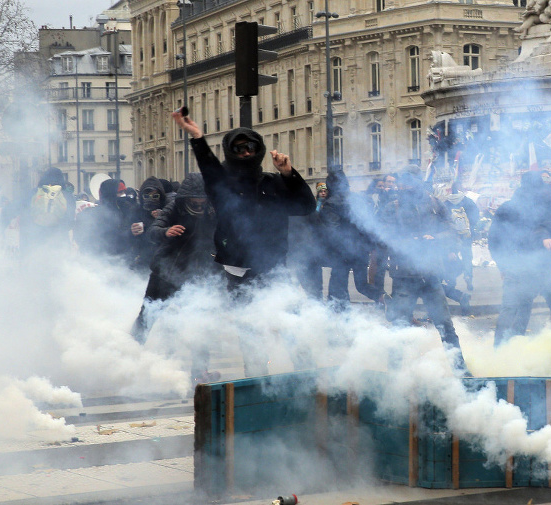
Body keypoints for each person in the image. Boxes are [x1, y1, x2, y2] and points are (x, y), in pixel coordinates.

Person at [172, 110, 316, 377]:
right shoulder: (223, 187)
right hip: (237, 270)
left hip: (274, 267)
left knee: (294, 323)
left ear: (259, 149)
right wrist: (198, 138)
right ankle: (256, 380)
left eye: (250, 147)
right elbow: (211, 170)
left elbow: (306, 206)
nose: (246, 153)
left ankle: (306, 377)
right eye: (239, 149)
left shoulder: (273, 183)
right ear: (230, 152)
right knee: (249, 329)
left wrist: (288, 174)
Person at [131, 173, 222, 382]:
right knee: (148, 316)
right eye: (194, 202)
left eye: (202, 201)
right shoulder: (173, 208)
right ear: (185, 199)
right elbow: (153, 231)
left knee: (200, 323)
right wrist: (166, 231)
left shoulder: (212, 211)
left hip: (197, 274)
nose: (198, 206)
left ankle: (199, 371)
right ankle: (126, 360)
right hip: (166, 272)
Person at [378, 168, 470, 376]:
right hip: (404, 276)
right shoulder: (392, 207)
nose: (405, 187)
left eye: (409, 183)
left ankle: (461, 372)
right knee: (400, 326)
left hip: (431, 274)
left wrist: (435, 239)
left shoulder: (435, 204)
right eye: (403, 184)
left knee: (445, 326)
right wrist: (412, 243)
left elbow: (452, 231)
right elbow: (383, 238)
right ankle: (393, 374)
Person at [488, 171, 551, 345]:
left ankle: (509, 348)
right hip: (519, 266)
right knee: (516, 306)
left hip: (526, 268)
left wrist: (503, 265)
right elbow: (500, 239)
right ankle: (504, 348)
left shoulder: (538, 208)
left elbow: (493, 241)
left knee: (519, 306)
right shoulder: (513, 209)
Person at [322, 169, 389, 308]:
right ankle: (384, 298)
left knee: (338, 284)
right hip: (361, 250)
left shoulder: (331, 203)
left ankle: (341, 314)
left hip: (342, 252)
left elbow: (333, 230)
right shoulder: (358, 199)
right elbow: (367, 224)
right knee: (361, 285)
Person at [18, 167, 76, 256]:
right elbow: (70, 221)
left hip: (35, 239)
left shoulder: (33, 193)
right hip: (59, 241)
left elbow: (24, 218)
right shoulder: (67, 196)